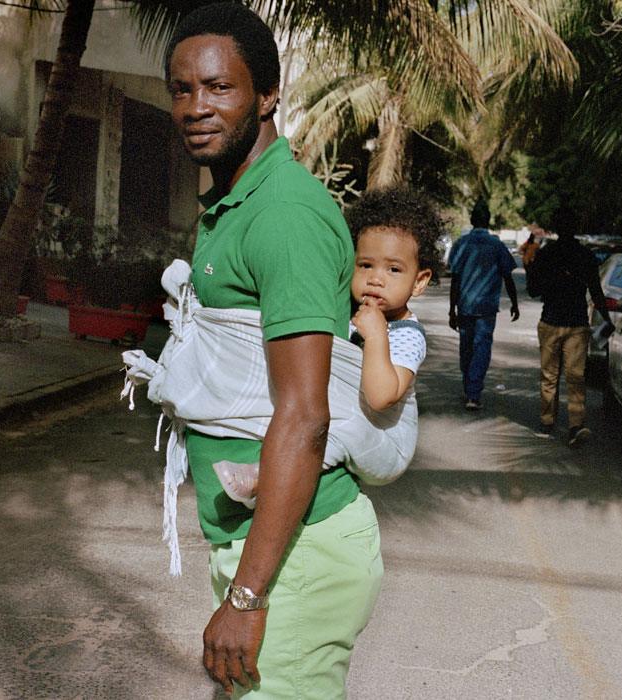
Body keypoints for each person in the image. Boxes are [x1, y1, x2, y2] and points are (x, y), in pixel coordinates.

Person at [164, 4, 382, 696]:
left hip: (299, 557)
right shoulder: (237, 201)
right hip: (272, 543)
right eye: (182, 89)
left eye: (219, 87)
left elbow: (303, 416)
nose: (197, 107)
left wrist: (249, 598)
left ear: (266, 96)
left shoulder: (283, 215)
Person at [214, 187, 438, 508]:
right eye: (365, 266)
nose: (376, 279)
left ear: (419, 281)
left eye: (393, 269)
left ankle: (265, 477)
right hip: (361, 424)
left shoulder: (406, 333)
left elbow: (380, 397)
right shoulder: (352, 311)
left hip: (389, 444)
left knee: (331, 428)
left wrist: (376, 337)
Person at [527, 214, 614, 446]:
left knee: (549, 375)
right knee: (576, 377)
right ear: (576, 228)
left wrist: (547, 277)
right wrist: (607, 319)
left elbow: (533, 290)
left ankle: (547, 420)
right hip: (576, 324)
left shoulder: (546, 255)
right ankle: (576, 424)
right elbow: (596, 292)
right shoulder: (585, 256)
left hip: (551, 321)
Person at [447, 199, 520, 410]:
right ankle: (473, 393)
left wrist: (452, 310)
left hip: (466, 305)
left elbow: (455, 279)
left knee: (466, 347)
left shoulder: (462, 244)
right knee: (482, 348)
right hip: (487, 308)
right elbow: (508, 276)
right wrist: (514, 304)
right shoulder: (496, 245)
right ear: (488, 221)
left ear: (471, 220)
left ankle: (469, 387)